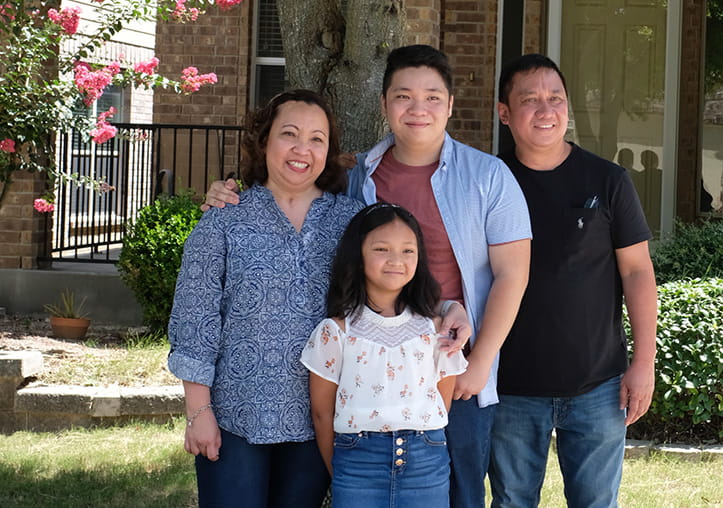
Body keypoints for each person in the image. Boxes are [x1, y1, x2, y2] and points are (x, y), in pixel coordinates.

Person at [203, 44, 532, 507]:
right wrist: (225, 191)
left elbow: (513, 275)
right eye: (403, 96)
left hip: (452, 369)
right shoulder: (359, 177)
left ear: (451, 104)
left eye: (433, 97)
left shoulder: (489, 176)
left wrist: (479, 364)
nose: (418, 108)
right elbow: (299, 197)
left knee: (456, 494)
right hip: (369, 377)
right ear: (383, 104)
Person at [167, 89, 365, 507]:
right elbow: (195, 319)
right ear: (263, 141)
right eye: (288, 134)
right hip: (235, 416)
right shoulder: (223, 217)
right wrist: (199, 413)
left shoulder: (351, 223)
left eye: (317, 139)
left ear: (328, 151)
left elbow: (386, 295)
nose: (301, 149)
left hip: (319, 417)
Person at [488, 53, 658, 507]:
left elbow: (638, 272)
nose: (546, 111)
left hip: (597, 386)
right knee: (511, 502)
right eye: (530, 100)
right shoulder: (490, 182)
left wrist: (644, 362)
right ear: (505, 112)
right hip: (511, 387)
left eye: (556, 98)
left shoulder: (608, 179)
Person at [301, 202, 468, 507]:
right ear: (358, 255)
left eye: (408, 250)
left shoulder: (435, 330)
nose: (396, 260)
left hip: (426, 461)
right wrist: (339, 469)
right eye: (381, 249)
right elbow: (322, 413)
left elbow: (442, 400)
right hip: (357, 463)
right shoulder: (336, 331)